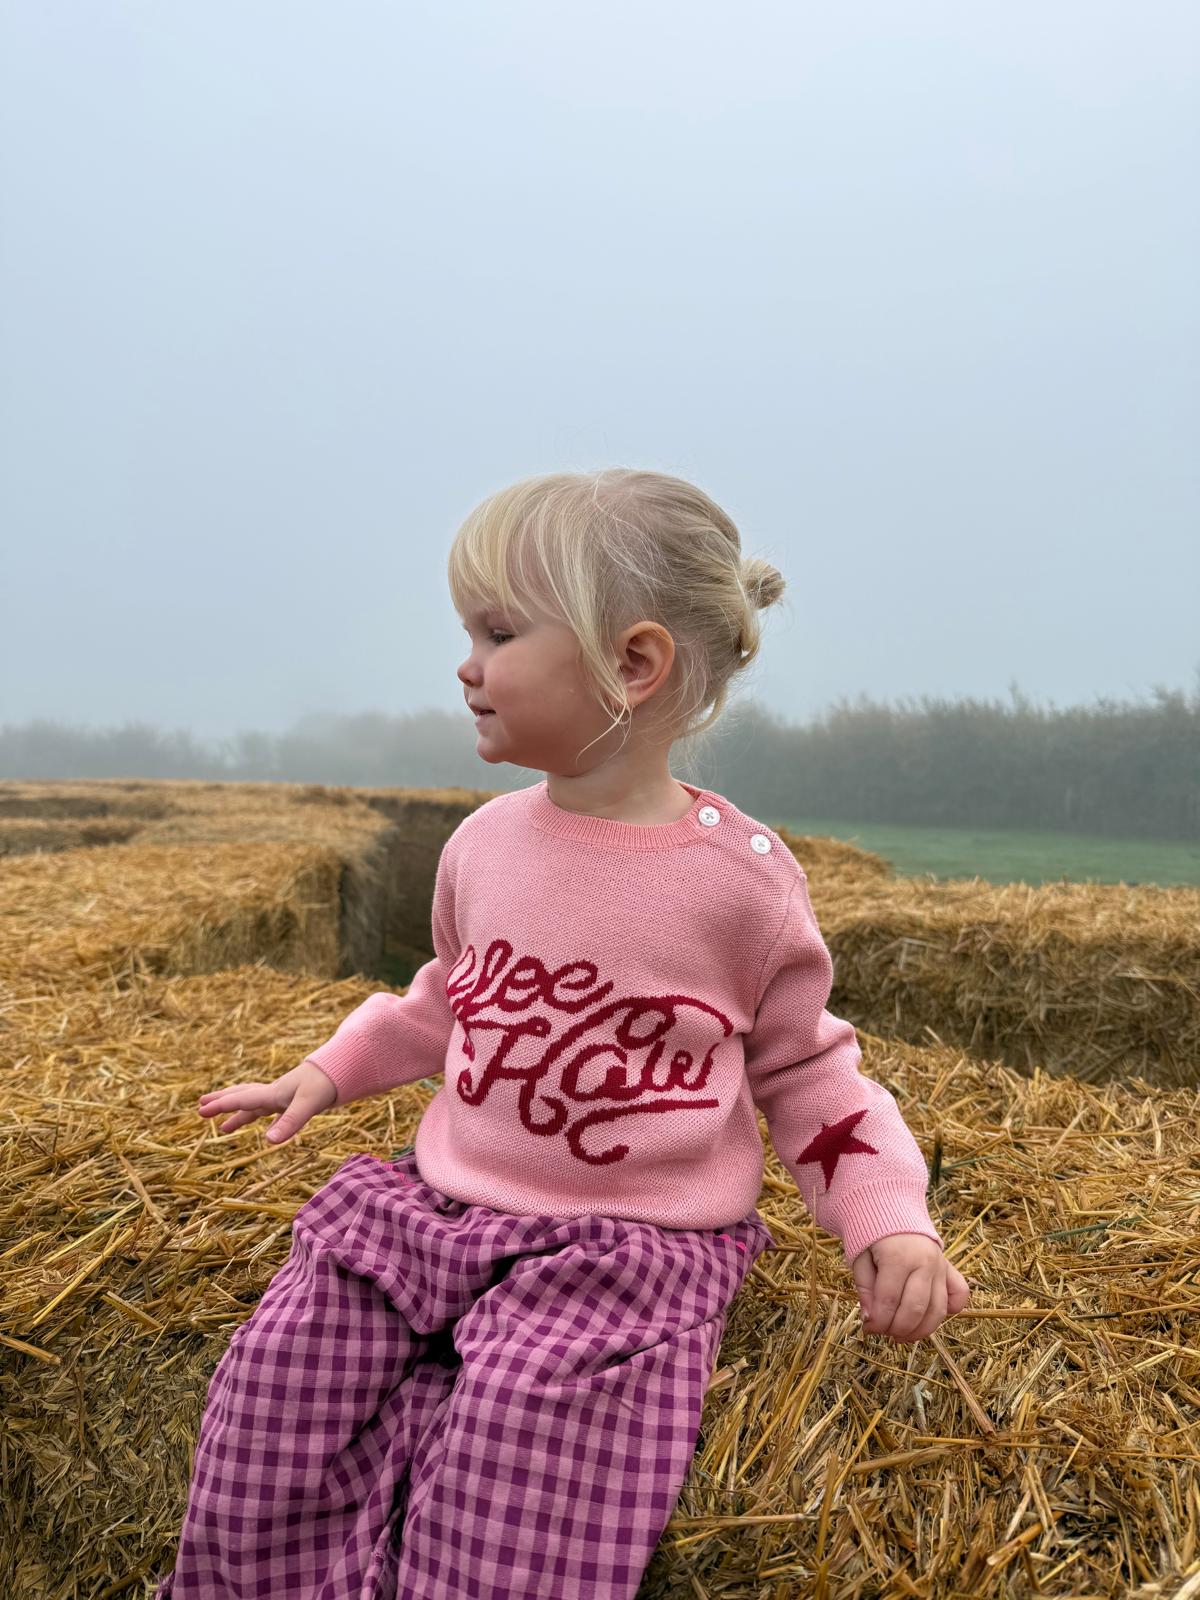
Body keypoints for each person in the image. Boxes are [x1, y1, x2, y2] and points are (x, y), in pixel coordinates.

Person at [155, 468, 971, 1599]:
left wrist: (886, 1218)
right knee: (277, 1389)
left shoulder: (740, 886)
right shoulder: (484, 844)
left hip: (620, 1253)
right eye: (468, 632)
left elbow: (807, 1071)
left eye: (498, 633)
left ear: (632, 664)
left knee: (523, 1462)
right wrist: (326, 1073)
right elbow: (446, 1000)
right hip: (437, 1209)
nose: (466, 664)